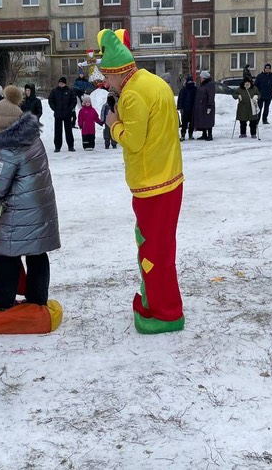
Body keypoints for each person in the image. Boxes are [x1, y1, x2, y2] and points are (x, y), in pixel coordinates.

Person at [99, 28, 185, 334]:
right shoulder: (152, 82)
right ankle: (159, 302)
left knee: (153, 252)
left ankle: (166, 313)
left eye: (106, 76)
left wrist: (113, 124)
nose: (106, 82)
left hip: (152, 186)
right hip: (169, 178)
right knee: (160, 249)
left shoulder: (133, 94)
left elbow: (133, 141)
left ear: (117, 72)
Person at [0, 86, 60, 310]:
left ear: (5, 124)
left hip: (20, 208)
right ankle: (37, 299)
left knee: (6, 252)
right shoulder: (32, 138)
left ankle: (2, 300)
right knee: (37, 252)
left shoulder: (7, 147)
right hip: (41, 206)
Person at [48, 77, 77, 152]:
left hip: (67, 114)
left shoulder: (70, 90)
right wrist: (54, 108)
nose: (61, 84)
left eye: (62, 83)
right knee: (57, 131)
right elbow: (50, 100)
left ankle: (70, 146)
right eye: (60, 83)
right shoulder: (54, 91)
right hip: (58, 114)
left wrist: (70, 109)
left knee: (68, 131)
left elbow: (74, 101)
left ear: (65, 83)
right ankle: (57, 147)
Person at [192, 70, 216, 141]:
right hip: (202, 106)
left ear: (204, 78)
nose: (200, 79)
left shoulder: (210, 85)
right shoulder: (203, 85)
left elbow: (211, 96)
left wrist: (209, 105)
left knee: (208, 120)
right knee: (203, 120)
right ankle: (204, 134)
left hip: (207, 106)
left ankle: (210, 135)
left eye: (201, 77)